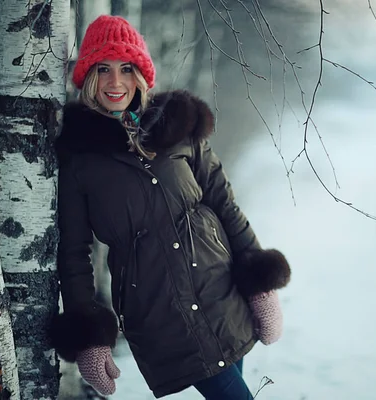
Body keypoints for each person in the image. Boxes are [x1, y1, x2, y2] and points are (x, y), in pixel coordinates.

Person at [48, 15, 291, 400]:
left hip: (222, 295)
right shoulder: (79, 162)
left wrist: (261, 283)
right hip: (160, 315)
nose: (115, 82)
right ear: (88, 78)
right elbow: (74, 253)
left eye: (126, 69)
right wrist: (89, 336)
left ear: (141, 74)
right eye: (103, 69)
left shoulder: (178, 130)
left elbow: (224, 203)